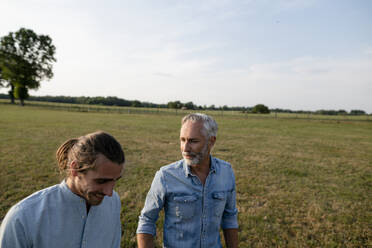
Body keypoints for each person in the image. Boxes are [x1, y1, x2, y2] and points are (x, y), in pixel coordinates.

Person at [0, 131, 125, 248]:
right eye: (101, 181)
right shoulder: (23, 218)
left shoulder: (113, 202)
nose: (109, 192)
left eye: (115, 180)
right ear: (75, 169)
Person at [137, 113, 238, 248]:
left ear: (211, 141)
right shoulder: (166, 176)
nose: (185, 148)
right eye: (182, 140)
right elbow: (147, 220)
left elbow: (229, 218)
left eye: (193, 141)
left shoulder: (226, 172)